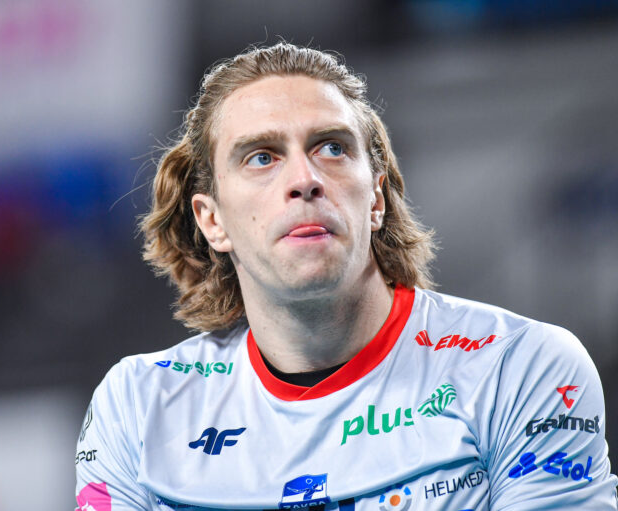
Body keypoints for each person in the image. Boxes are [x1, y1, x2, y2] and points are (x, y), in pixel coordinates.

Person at [75, 43, 617, 510]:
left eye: (332, 148)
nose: (304, 178)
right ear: (212, 220)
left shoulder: (520, 367)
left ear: (376, 199)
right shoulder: (139, 408)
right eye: (262, 157)